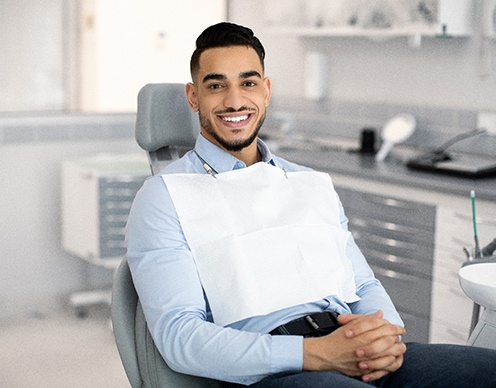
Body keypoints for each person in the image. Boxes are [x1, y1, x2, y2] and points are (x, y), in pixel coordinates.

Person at [126, 22, 496, 387]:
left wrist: (385, 339)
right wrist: (315, 355)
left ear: (266, 91)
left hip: (352, 347)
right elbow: (180, 337)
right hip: (279, 369)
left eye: (248, 83)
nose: (235, 101)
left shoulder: (308, 182)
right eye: (216, 85)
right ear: (194, 97)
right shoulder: (165, 196)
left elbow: (363, 285)